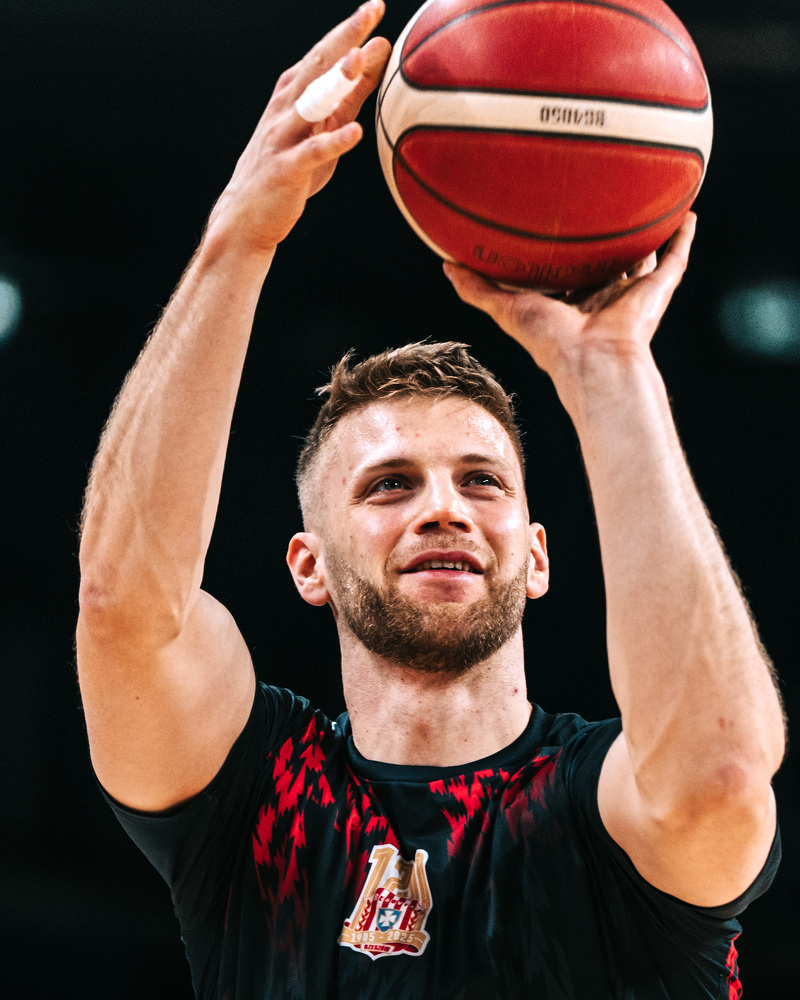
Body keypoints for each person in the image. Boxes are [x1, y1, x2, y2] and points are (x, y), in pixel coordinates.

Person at [76, 3, 785, 998]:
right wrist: (236, 241)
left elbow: (719, 775)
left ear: (536, 555)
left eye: (481, 480)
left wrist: (610, 371)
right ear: (308, 564)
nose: (443, 507)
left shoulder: (599, 807)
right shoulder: (255, 801)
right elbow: (123, 606)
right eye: (388, 484)